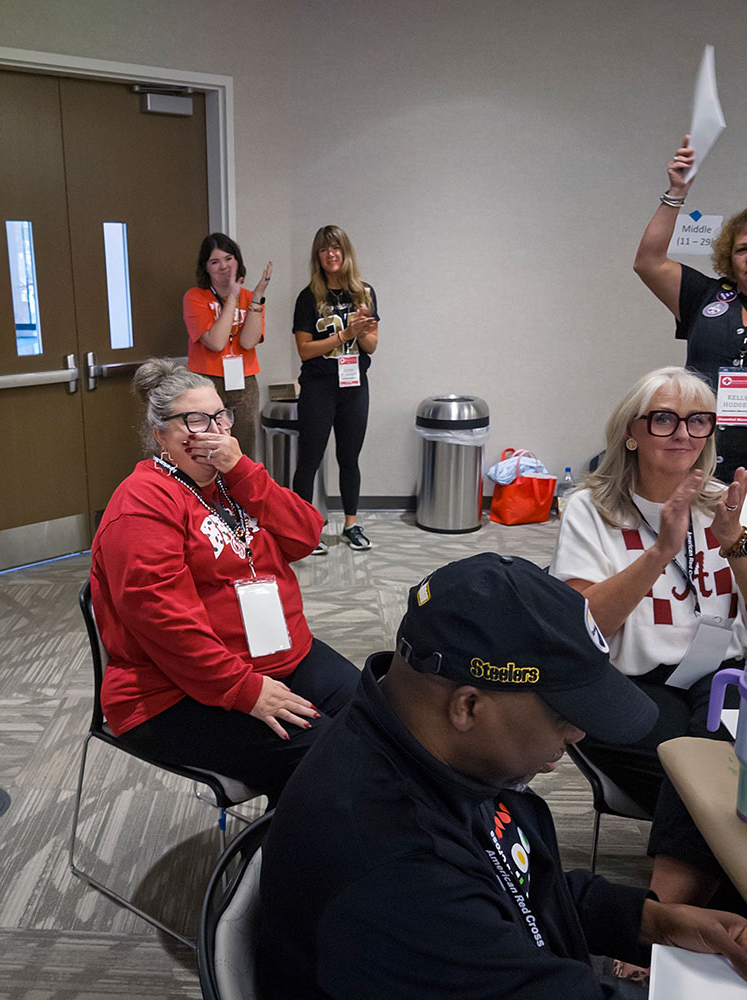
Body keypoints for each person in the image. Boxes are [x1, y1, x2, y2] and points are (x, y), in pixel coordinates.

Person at [258, 553, 747, 999]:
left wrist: (653, 921)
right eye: (563, 714)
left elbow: (514, 880)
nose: (577, 734)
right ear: (468, 706)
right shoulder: (399, 877)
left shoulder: (418, 739)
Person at [89, 359, 358, 804]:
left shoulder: (233, 483)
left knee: (376, 719)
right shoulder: (142, 503)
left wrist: (246, 472)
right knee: (332, 758)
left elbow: (306, 535)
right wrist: (246, 690)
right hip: (172, 692)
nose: (212, 431)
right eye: (194, 420)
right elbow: (164, 623)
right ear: (161, 435)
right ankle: (292, 858)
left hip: (280, 654)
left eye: (219, 417)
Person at [550, 367, 746, 910]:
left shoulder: (729, 505)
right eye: (664, 419)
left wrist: (734, 546)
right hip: (624, 680)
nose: (683, 433)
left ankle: (670, 920)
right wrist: (660, 550)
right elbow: (582, 626)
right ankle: (675, 919)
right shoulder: (591, 508)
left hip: (720, 674)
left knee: (717, 755)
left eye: (697, 421)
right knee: (710, 765)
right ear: (631, 432)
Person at [633, 135, 747, 482]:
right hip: (702, 457)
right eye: (743, 249)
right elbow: (649, 262)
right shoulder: (706, 296)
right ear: (729, 257)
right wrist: (676, 193)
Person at [291, 225, 379, 553]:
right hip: (319, 386)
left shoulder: (364, 293)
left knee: (349, 457)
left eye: (337, 248)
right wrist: (344, 335)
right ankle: (304, 531)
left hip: (354, 385)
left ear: (346, 252)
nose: (332, 254)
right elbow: (305, 349)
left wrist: (360, 329)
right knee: (310, 458)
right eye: (325, 249)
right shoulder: (308, 296)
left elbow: (371, 345)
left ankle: (351, 526)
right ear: (318, 256)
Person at [182, 233, 272, 460]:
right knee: (206, 446)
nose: (223, 266)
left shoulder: (251, 297)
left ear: (238, 262)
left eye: (228, 258)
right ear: (206, 268)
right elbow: (216, 342)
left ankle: (240, 495)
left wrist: (257, 297)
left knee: (243, 448)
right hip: (205, 380)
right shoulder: (195, 297)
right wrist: (232, 298)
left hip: (244, 380)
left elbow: (248, 342)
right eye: (215, 261)